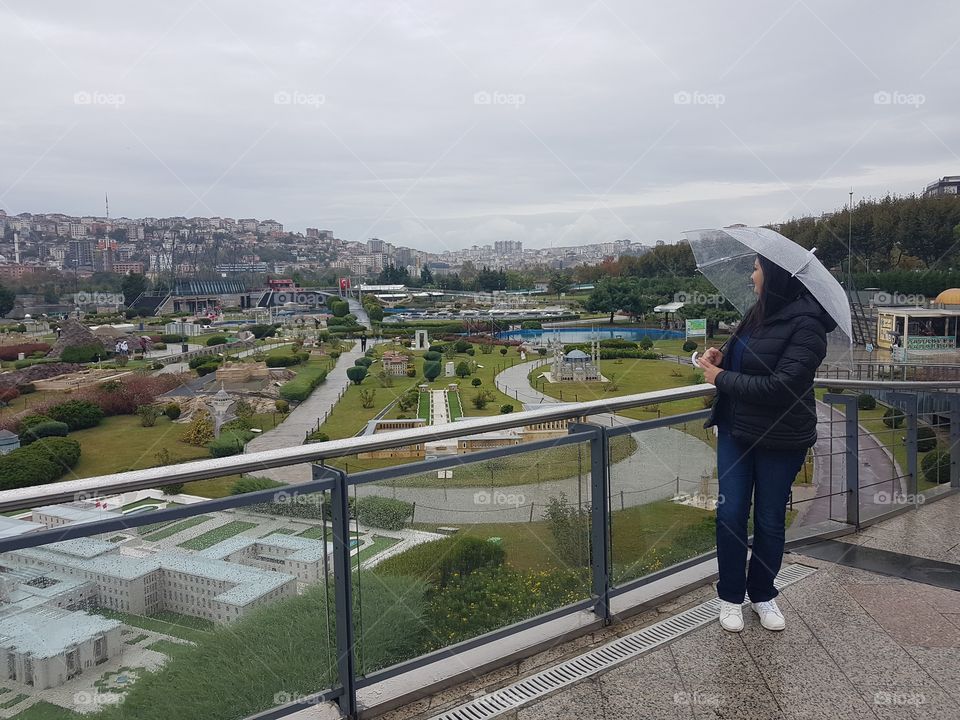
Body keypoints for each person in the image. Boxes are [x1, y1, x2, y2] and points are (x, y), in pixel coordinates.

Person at [697, 255, 835, 633]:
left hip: (782, 436)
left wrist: (720, 377)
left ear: (774, 276)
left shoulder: (808, 327)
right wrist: (720, 356)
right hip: (736, 430)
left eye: (756, 268)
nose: (751, 275)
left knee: (770, 518)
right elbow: (742, 358)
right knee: (730, 515)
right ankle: (729, 598)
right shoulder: (757, 313)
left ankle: (762, 594)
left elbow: (781, 387)